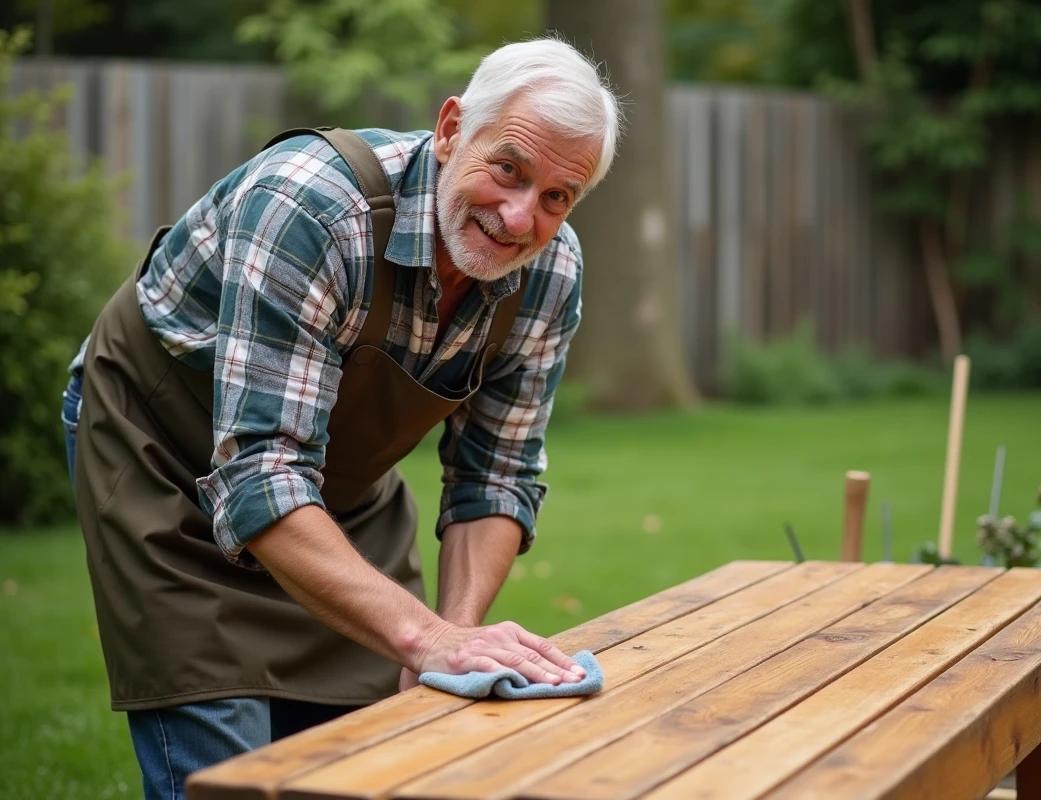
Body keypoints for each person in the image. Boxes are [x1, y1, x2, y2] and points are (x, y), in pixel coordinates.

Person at [60, 36, 622, 799]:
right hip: (168, 467)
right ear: (453, 127)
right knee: (237, 776)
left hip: (335, 496)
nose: (521, 218)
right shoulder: (316, 208)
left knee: (369, 769)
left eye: (558, 197)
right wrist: (424, 635)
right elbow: (259, 471)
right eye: (509, 169)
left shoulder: (551, 275)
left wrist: (452, 643)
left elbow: (496, 477)